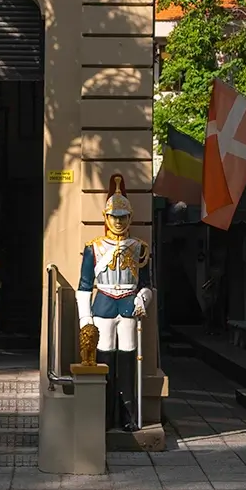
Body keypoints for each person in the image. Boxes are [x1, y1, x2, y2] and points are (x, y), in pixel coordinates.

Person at [76, 174, 153, 431]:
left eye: (122, 217)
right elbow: (84, 286)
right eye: (114, 217)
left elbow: (146, 283)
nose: (118, 221)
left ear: (129, 217)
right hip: (104, 305)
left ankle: (128, 415)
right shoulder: (94, 248)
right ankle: (106, 416)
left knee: (128, 360)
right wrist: (85, 319)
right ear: (106, 217)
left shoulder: (140, 248)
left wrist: (143, 298)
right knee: (104, 359)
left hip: (129, 305)